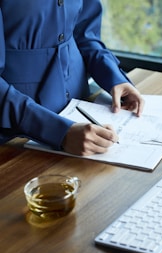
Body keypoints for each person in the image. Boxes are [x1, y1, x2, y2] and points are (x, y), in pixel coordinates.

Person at [0, 1, 144, 156]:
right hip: (17, 132)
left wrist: (113, 77)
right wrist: (59, 132)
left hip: (83, 109)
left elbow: (85, 34)